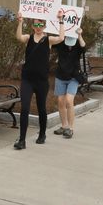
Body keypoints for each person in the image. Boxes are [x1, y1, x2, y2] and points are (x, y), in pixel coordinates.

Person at [13, 11, 66, 149]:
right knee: (24, 108)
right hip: (27, 79)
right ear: (32, 26)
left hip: (41, 81)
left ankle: (42, 134)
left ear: (44, 26)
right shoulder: (28, 38)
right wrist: (20, 22)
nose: (38, 27)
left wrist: (61, 20)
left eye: (41, 24)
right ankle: (22, 140)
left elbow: (61, 38)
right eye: (36, 24)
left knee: (41, 108)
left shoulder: (48, 40)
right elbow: (19, 37)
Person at [52, 24, 85, 140]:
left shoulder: (77, 45)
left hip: (73, 77)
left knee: (69, 101)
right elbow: (51, 43)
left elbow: (83, 46)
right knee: (60, 101)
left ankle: (70, 128)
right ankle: (64, 125)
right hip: (61, 76)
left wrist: (79, 35)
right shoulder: (61, 43)